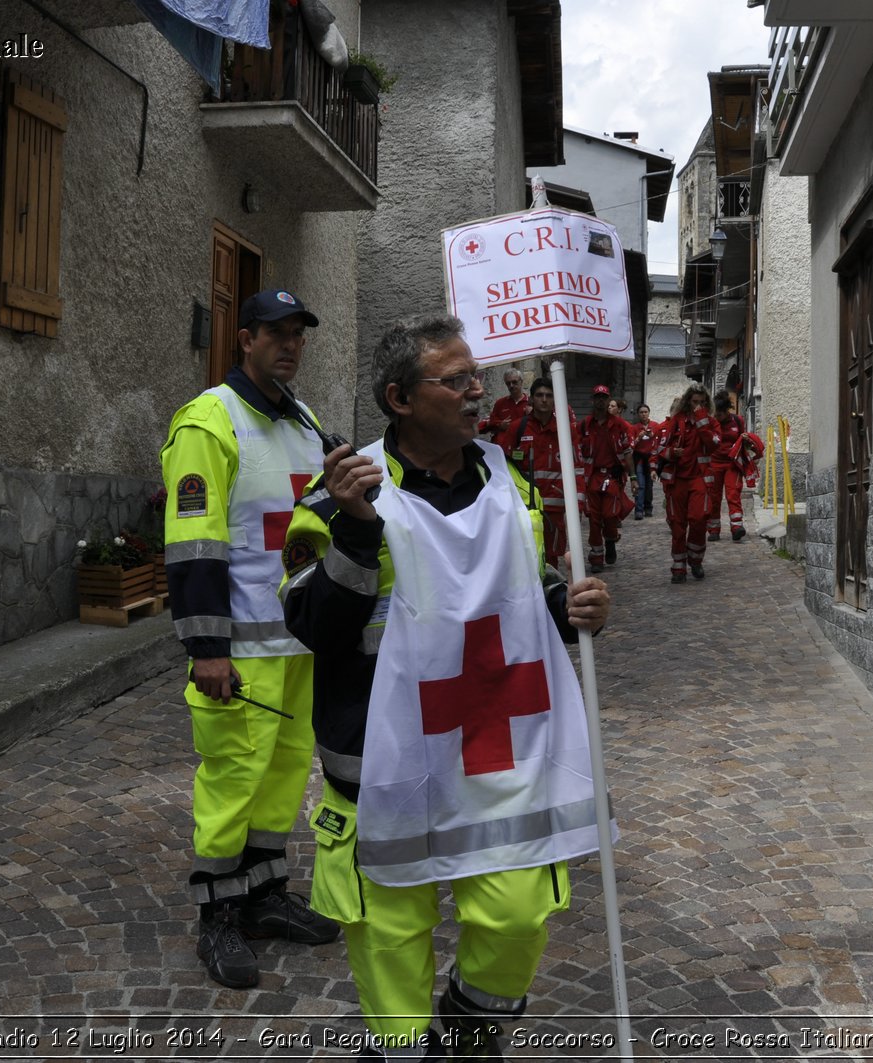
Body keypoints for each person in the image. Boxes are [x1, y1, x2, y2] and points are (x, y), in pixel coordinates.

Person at [279, 315, 612, 1059]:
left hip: (499, 760)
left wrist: (570, 605)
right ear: (400, 397)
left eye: (477, 376)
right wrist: (360, 532)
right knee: (391, 948)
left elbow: (524, 593)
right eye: (455, 379)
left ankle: (467, 1027)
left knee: (519, 916)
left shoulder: (508, 478)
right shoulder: (337, 493)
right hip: (381, 772)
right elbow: (310, 622)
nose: (477, 391)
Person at [160, 288, 340, 989]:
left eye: (298, 333)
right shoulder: (210, 421)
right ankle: (219, 918)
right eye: (275, 332)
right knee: (233, 784)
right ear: (245, 340)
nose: (289, 344)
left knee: (284, 780)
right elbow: (194, 542)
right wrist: (207, 647)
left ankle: (263, 898)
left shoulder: (304, 421)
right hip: (237, 652)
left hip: (296, 649)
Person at [496, 376, 580, 570]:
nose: (544, 400)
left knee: (550, 559)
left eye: (549, 396)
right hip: (523, 508)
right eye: (539, 395)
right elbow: (504, 466)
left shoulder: (566, 431)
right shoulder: (518, 428)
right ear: (531, 399)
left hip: (554, 510)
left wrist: (578, 506)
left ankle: (550, 597)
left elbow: (577, 469)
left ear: (556, 400)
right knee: (522, 556)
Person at [661, 381, 721, 582]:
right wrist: (671, 453)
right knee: (677, 525)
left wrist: (702, 420)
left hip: (699, 479)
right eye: (695, 402)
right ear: (687, 401)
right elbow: (660, 448)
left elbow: (713, 445)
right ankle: (678, 568)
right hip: (677, 480)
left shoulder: (711, 422)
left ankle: (695, 559)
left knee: (699, 519)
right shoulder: (676, 420)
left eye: (702, 403)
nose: (698, 406)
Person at [577, 384, 633, 574]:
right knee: (593, 517)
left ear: (609, 400)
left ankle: (610, 540)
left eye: (604, 397)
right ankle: (596, 556)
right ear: (593, 400)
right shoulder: (584, 425)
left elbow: (627, 452)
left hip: (611, 476)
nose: (601, 401)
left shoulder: (619, 425)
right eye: (597, 397)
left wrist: (633, 477)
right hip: (591, 477)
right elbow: (576, 450)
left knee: (610, 515)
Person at [707, 391, 749, 541]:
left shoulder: (738, 421)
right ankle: (713, 529)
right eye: (714, 414)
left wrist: (745, 439)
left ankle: (737, 527)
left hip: (732, 464)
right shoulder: (711, 423)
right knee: (714, 496)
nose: (716, 417)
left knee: (733, 494)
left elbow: (743, 439)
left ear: (726, 411)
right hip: (714, 464)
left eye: (719, 414)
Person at [478, 368, 529, 439]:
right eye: (508, 383)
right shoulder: (500, 403)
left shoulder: (529, 403)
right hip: (504, 445)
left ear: (521, 381)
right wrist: (500, 424)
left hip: (523, 443)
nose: (511, 385)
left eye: (514, 382)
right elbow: (491, 421)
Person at [630, 402, 657, 521]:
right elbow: (631, 445)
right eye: (641, 412)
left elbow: (659, 442)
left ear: (649, 413)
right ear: (638, 414)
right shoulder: (634, 428)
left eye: (645, 412)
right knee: (640, 484)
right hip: (640, 459)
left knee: (649, 485)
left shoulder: (655, 426)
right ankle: (638, 510)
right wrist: (638, 438)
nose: (643, 414)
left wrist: (652, 436)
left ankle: (648, 508)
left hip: (651, 459)